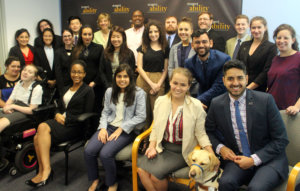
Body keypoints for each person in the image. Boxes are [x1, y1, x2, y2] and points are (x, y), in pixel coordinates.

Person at [205, 59, 289, 191]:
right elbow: (208, 131)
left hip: (269, 159)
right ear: (224, 80)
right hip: (238, 158)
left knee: (255, 188)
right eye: (230, 79)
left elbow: (281, 139)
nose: (235, 83)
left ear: (246, 78)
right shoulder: (216, 104)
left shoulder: (265, 100)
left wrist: (253, 160)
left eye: (240, 78)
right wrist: (220, 148)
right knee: (225, 183)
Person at [137, 68, 219, 191]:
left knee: (155, 177)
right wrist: (152, 145)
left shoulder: (196, 106)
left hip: (182, 151)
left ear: (188, 86)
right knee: (140, 170)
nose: (178, 88)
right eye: (175, 83)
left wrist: (212, 155)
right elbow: (155, 127)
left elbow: (201, 134)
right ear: (170, 82)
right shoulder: (160, 101)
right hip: (162, 147)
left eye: (183, 85)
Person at [25, 60, 95, 188]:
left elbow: (87, 113)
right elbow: (58, 106)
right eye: (74, 72)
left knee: (41, 127)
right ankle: (41, 171)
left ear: (84, 74)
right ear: (70, 73)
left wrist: (67, 120)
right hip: (59, 122)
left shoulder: (87, 91)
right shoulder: (66, 88)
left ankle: (46, 170)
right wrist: (57, 114)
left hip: (74, 126)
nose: (76, 75)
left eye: (79, 72)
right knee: (36, 137)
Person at [84, 64, 146, 191]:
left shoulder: (139, 93)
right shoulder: (109, 91)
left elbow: (141, 116)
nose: (122, 79)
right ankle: (95, 179)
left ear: (130, 78)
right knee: (89, 151)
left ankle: (112, 183)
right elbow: (105, 112)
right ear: (115, 77)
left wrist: (122, 128)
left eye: (125, 76)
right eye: (119, 76)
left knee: (105, 154)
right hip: (109, 126)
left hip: (127, 130)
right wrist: (102, 128)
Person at [185, 29, 230, 109]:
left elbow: (219, 86)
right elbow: (185, 84)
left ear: (211, 43)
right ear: (192, 45)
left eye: (204, 42)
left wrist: (197, 101)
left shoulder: (224, 59)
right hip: (201, 101)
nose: (201, 45)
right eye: (197, 42)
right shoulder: (189, 63)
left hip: (221, 101)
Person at [136, 20, 169, 119]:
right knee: (143, 112)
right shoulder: (143, 47)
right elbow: (139, 67)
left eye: (156, 31)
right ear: (147, 33)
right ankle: (143, 134)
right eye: (150, 32)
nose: (153, 34)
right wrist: (151, 84)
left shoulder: (165, 47)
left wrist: (158, 85)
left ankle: (156, 134)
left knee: (157, 112)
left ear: (160, 32)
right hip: (143, 80)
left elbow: (166, 69)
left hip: (159, 81)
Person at [236, 16, 277, 92]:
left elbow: (266, 71)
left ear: (265, 28)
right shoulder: (244, 44)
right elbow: (237, 64)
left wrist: (248, 88)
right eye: (253, 28)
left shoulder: (271, 47)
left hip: (259, 90)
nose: (256, 30)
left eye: (259, 27)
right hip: (240, 86)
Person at [268, 24, 300, 115]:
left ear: (293, 40)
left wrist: (297, 107)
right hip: (273, 109)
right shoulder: (275, 59)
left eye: (286, 38)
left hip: (290, 112)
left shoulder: (298, 58)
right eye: (279, 38)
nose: (281, 41)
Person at [0, 64, 43, 133]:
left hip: (24, 111)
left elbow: (32, 110)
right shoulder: (19, 83)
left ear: (34, 77)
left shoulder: (37, 88)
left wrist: (13, 106)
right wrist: (6, 108)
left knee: (1, 123)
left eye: (30, 72)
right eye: (24, 70)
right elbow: (11, 99)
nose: (25, 72)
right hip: (14, 107)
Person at [72, 25, 104, 112]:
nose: (87, 37)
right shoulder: (75, 49)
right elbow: (73, 67)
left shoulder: (99, 48)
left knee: (95, 109)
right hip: (79, 84)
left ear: (92, 36)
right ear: (81, 35)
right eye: (85, 34)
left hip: (95, 86)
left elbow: (101, 67)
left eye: (89, 34)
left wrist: (94, 82)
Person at [100, 26, 136, 90]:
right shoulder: (105, 53)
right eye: (113, 37)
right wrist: (107, 86)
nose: (116, 39)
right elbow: (101, 71)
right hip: (109, 87)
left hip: (126, 87)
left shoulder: (129, 53)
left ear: (123, 38)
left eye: (118, 37)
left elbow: (132, 72)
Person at [54, 29, 74, 96]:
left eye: (69, 36)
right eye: (65, 36)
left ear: (73, 36)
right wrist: (61, 88)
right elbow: (58, 71)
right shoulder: (58, 52)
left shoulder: (77, 50)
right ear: (62, 38)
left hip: (77, 82)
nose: (67, 38)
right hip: (64, 84)